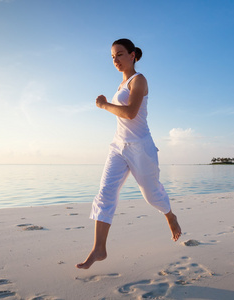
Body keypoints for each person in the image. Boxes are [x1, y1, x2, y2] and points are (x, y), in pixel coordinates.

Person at [76, 38, 182, 270]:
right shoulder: (120, 86)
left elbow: (131, 113)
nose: (116, 60)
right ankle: (99, 248)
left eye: (120, 54)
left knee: (151, 195)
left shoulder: (139, 80)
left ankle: (170, 215)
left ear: (132, 55)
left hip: (140, 147)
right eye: (113, 56)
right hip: (118, 146)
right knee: (105, 192)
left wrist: (104, 105)